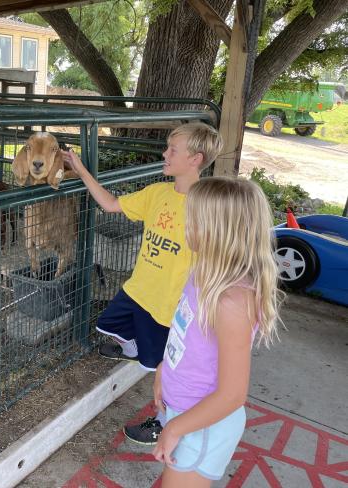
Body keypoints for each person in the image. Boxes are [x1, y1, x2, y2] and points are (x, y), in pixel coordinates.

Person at [63, 122, 223, 444]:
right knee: (107, 324)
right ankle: (133, 347)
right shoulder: (157, 193)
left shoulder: (207, 205)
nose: (164, 154)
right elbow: (110, 204)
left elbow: (216, 258)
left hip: (168, 306)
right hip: (138, 290)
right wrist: (81, 171)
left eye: (172, 150)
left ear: (195, 159)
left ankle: (165, 421)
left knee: (165, 373)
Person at [152, 177, 282, 486]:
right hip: (186, 414)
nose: (185, 224)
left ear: (217, 231)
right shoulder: (203, 272)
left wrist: (175, 428)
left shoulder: (232, 300)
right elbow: (188, 338)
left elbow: (232, 394)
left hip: (202, 425)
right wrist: (163, 369)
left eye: (193, 219)